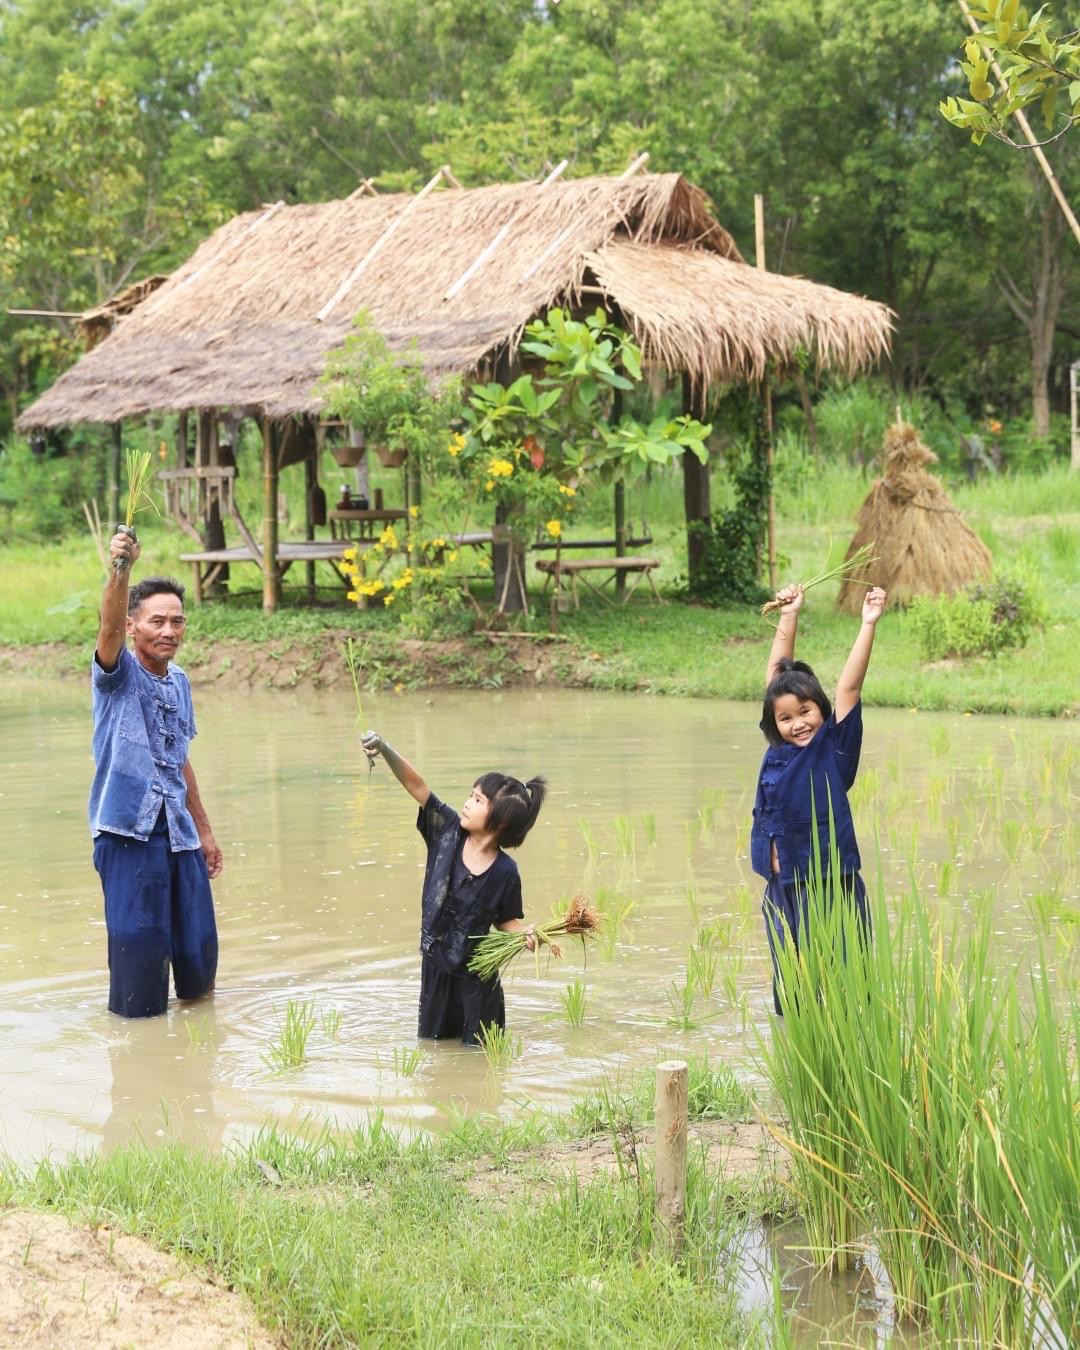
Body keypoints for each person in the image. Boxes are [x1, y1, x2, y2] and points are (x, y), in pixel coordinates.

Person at [90, 529, 222, 1018]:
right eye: (157, 622)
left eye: (177, 622)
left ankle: (193, 1071)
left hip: (180, 835)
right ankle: (138, 1071)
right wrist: (121, 570)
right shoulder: (117, 674)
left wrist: (204, 830)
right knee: (139, 971)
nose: (169, 630)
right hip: (128, 834)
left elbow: (179, 755)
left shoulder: (181, 681)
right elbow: (104, 631)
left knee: (198, 963)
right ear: (132, 626)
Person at [751, 582, 887, 1014]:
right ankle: (796, 1066)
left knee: (851, 991)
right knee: (793, 998)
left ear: (823, 711)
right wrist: (789, 614)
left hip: (830, 889)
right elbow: (776, 677)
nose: (798, 723)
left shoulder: (833, 751)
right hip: (782, 890)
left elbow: (849, 688)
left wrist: (867, 623)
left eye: (806, 711)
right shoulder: (777, 751)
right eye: (786, 718)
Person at [360, 730, 546, 1045]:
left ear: (499, 822)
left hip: (477, 975)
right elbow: (417, 786)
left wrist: (527, 934)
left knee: (480, 1052)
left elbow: (505, 921)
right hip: (434, 967)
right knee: (432, 1046)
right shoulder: (446, 832)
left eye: (478, 800)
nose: (467, 803)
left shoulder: (505, 872)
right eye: (470, 796)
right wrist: (385, 748)